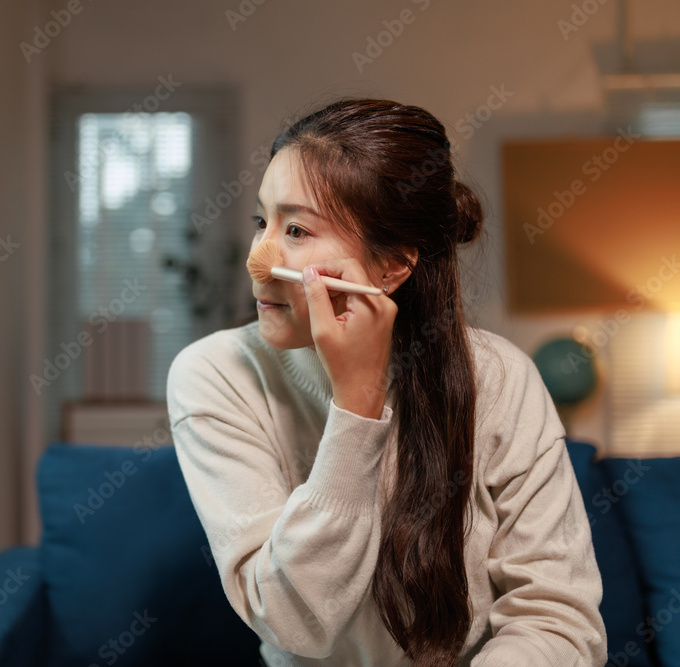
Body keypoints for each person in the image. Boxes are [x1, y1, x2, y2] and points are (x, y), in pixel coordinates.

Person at [165, 98, 607, 666]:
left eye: (295, 229)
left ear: (392, 267)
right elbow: (296, 622)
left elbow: (559, 622)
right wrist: (357, 404)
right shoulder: (215, 374)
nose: (259, 258)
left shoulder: (503, 379)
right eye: (260, 222)